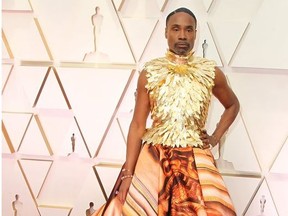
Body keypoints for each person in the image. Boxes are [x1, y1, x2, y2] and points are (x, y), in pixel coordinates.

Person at [94, 7, 240, 216]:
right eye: (176, 29)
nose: (182, 35)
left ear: (195, 34)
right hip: (155, 158)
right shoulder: (149, 72)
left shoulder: (211, 72)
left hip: (196, 158)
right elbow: (137, 125)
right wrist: (128, 175)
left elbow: (232, 105)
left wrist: (215, 137)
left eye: (189, 30)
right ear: (166, 32)